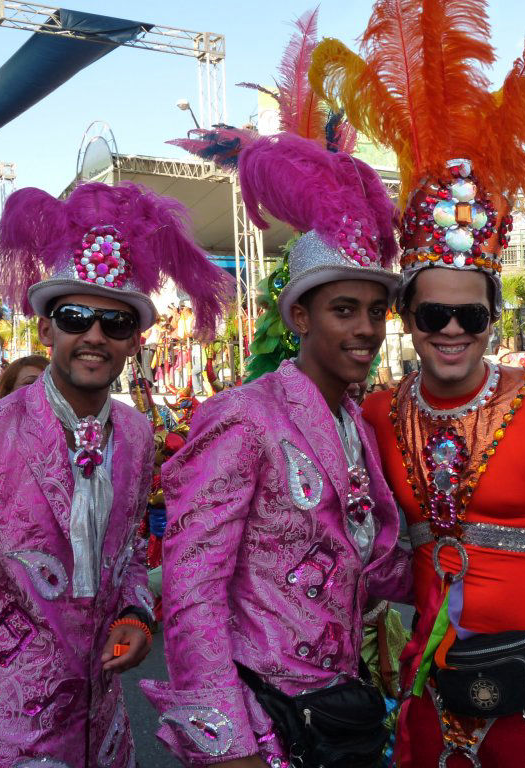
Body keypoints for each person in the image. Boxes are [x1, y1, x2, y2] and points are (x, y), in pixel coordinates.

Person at [316, 1, 525, 764]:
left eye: (469, 315)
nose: (450, 331)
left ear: (493, 318)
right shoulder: (372, 416)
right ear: (405, 314)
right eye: (432, 312)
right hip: (427, 689)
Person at [0, 181, 231, 767]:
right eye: (75, 317)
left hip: (104, 729)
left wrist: (136, 614)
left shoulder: (138, 435)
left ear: (134, 343)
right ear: (46, 330)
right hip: (4, 735)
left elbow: (129, 558)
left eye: (115, 323)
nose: (95, 335)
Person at [141, 132, 412, 767]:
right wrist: (225, 742)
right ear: (300, 318)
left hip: (341, 712)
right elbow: (192, 588)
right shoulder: (244, 418)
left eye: (377, 310)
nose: (366, 329)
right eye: (344, 309)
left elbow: (368, 561)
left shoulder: (359, 426)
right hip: (260, 723)